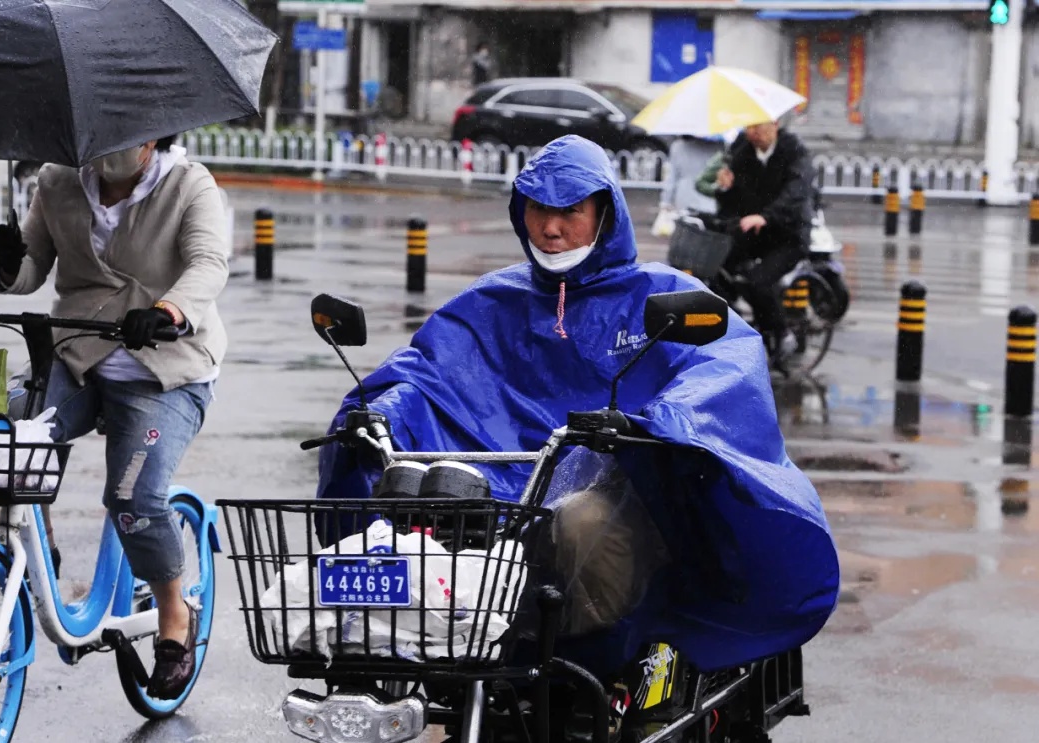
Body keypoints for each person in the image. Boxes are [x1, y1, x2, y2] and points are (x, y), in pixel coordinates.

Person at [316, 135, 838, 739]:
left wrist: (658, 420)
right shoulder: (492, 302)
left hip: (622, 494)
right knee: (409, 506)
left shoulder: (651, 295)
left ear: (605, 213)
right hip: (504, 494)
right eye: (538, 209)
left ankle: (611, 665)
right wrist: (379, 413)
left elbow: (725, 365)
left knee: (580, 523)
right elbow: (426, 373)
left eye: (570, 211)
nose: (551, 227)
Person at [0, 135, 229, 700]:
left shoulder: (189, 185)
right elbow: (33, 269)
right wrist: (10, 262)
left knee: (132, 497)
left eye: (129, 136)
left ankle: (174, 613)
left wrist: (168, 309)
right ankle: (39, 542)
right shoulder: (57, 180)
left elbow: (208, 264)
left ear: (155, 135)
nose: (111, 148)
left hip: (165, 368)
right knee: (7, 433)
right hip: (77, 355)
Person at [709, 119, 815, 358]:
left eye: (758, 126)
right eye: (749, 127)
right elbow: (733, 201)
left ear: (775, 124)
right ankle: (734, 327)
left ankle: (781, 332)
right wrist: (725, 188)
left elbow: (796, 192)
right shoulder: (741, 152)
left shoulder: (794, 151)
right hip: (755, 232)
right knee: (716, 269)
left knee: (759, 282)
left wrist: (766, 216)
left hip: (789, 234)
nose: (753, 133)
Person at [651, 135, 724, 238]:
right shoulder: (719, 147)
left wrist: (665, 202)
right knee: (708, 237)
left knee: (686, 236)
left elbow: (672, 179)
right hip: (709, 200)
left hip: (684, 199)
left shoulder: (678, 147)